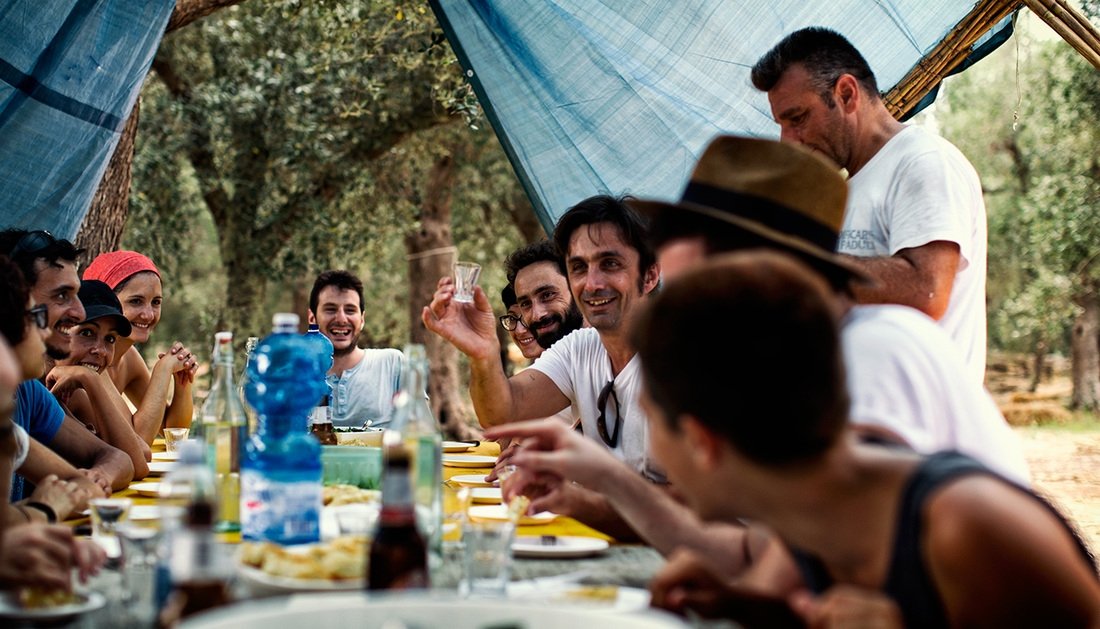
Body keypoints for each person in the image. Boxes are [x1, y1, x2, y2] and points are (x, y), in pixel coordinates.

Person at [488, 135, 1027, 573]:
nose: (682, 293)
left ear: (764, 270)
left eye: (699, 273)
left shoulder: (871, 354)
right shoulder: (789, 363)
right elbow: (772, 555)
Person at [635, 253, 1098, 627]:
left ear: (701, 441)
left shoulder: (966, 526)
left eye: (650, 418)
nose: (651, 450)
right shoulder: (806, 509)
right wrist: (744, 605)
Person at [752, 27, 988, 383]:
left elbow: (926, 290)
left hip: (919, 417)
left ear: (846, 94)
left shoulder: (923, 161)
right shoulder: (850, 189)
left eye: (797, 118)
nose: (788, 141)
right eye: (782, 124)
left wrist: (797, 264)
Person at [424, 195, 661, 538]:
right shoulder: (580, 348)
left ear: (650, 275)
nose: (591, 283)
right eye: (578, 267)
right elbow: (503, 413)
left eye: (610, 264)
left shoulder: (688, 357)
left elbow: (696, 509)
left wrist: (574, 499)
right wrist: (483, 355)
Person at [0, 234, 134, 501]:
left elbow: (122, 460)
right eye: (62, 295)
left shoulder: (28, 392)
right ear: (12, 302)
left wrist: (93, 481)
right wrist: (45, 508)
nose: (80, 313)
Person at [0, 330, 106, 593]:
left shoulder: (10, 426)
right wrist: (42, 510)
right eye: (34, 319)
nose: (45, 331)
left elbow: (87, 486)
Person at [83, 250, 196, 444]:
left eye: (156, 302)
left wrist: (182, 382)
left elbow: (172, 432)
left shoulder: (129, 357)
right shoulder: (91, 358)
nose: (148, 315)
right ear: (106, 302)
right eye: (136, 301)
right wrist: (162, 371)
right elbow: (137, 440)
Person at [45, 280, 151, 478]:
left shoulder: (75, 392)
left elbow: (141, 455)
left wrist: (91, 380)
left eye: (110, 339)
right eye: (86, 333)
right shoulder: (35, 390)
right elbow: (138, 463)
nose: (100, 350)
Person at [308, 270, 404, 428]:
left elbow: (422, 431)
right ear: (312, 318)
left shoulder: (392, 363)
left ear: (362, 319)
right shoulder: (295, 374)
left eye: (350, 310)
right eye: (330, 309)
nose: (341, 319)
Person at [502, 239, 583, 352]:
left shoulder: (604, 345)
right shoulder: (559, 357)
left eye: (547, 295)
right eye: (525, 304)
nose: (537, 315)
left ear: (576, 288)